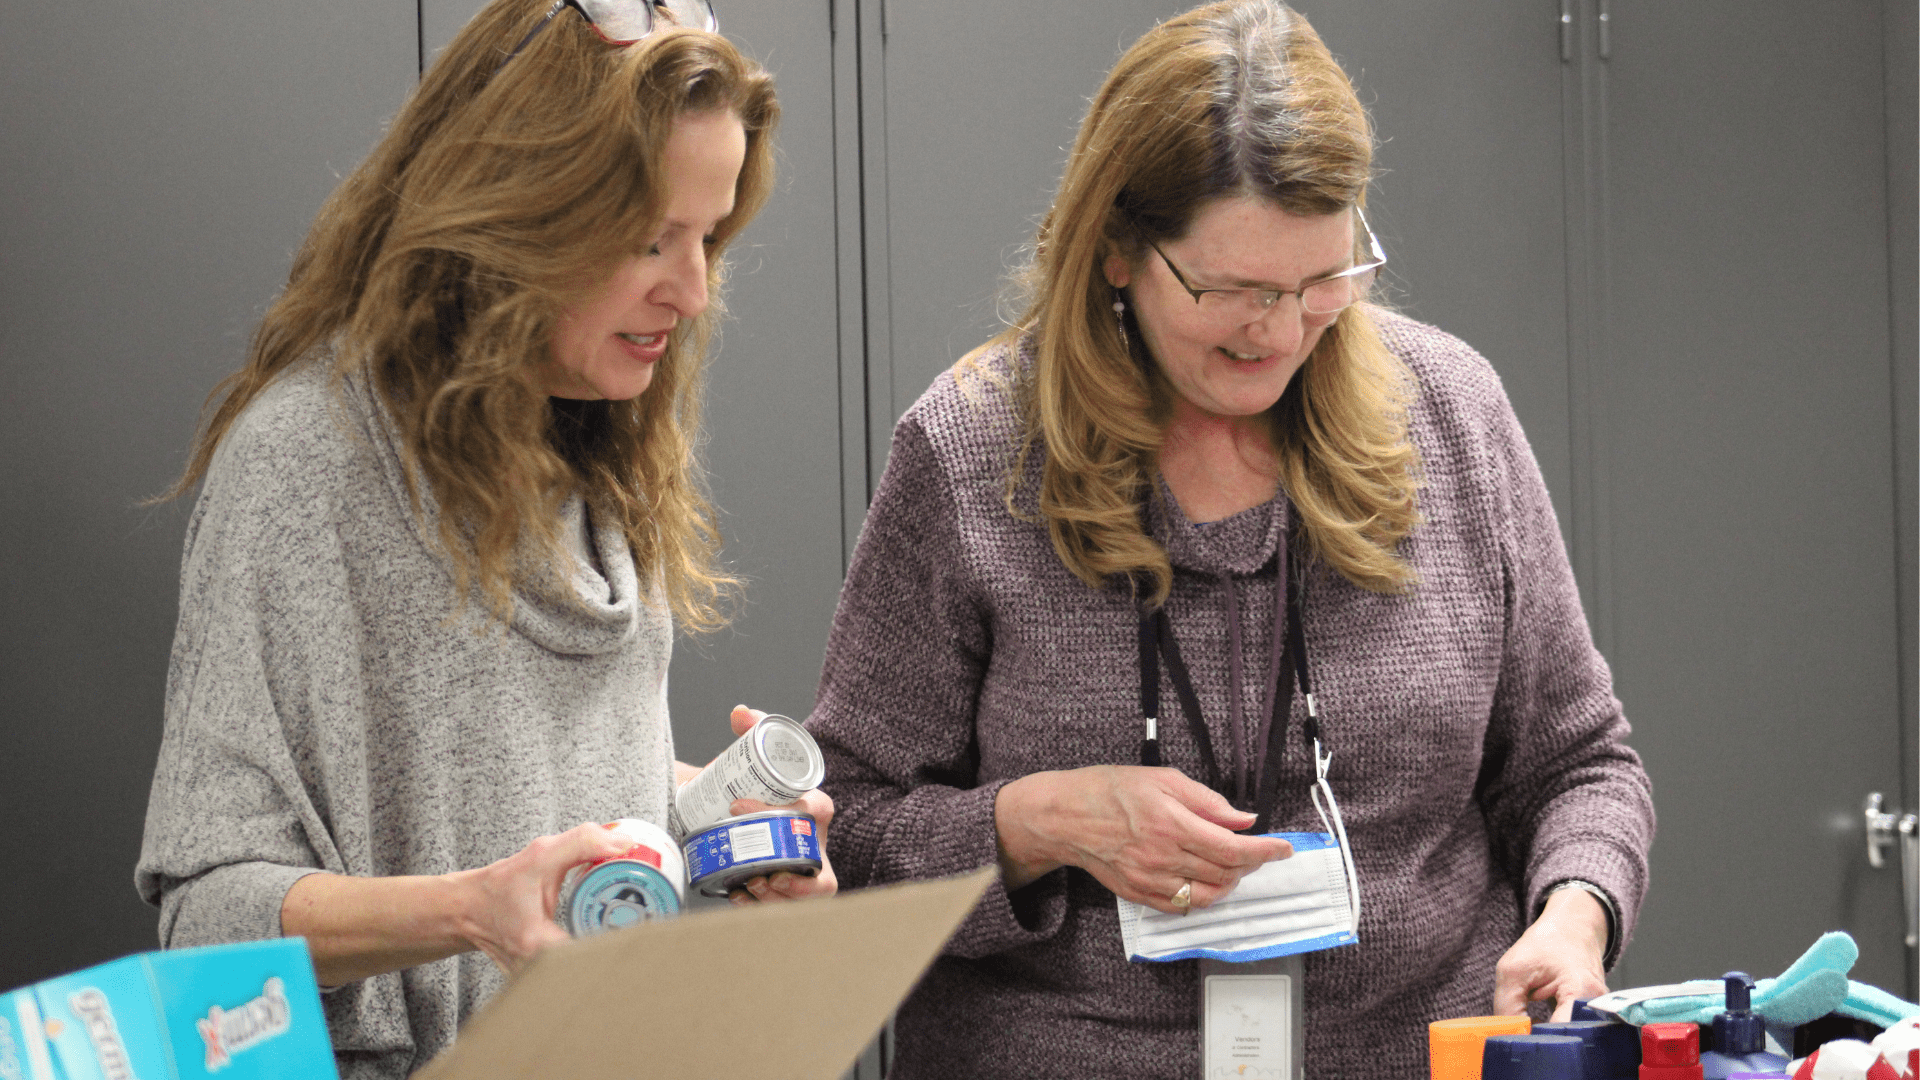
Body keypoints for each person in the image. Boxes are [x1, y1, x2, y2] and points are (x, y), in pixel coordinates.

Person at [805, 1, 1654, 1075]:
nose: (1280, 331)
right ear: (1116, 251)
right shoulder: (973, 453)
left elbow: (1581, 762)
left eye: (1321, 283)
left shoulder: (1450, 413)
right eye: (1235, 290)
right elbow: (845, 831)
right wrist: (1037, 823)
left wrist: (1577, 912)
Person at [135, 2, 833, 1076]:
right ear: (520, 210)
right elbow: (205, 921)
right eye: (651, 238)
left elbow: (537, 812)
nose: (692, 292)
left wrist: (717, 834)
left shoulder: (600, 450)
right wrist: (469, 912)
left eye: (709, 237)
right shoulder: (306, 463)